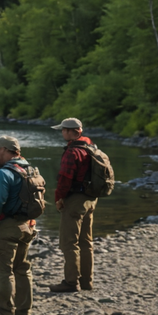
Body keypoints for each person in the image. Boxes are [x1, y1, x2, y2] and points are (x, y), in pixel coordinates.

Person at [0, 136, 39, 315]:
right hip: (28, 225)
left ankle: (5, 313)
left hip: (9, 227)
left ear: (5, 150)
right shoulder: (32, 170)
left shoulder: (3, 173)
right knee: (22, 268)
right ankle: (24, 312)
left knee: (4, 270)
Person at [50, 118, 95, 293]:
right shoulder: (90, 146)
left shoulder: (72, 152)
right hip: (90, 198)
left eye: (63, 130)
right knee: (86, 242)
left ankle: (71, 282)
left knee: (69, 243)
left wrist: (59, 198)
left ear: (71, 132)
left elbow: (65, 179)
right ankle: (86, 282)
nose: (62, 133)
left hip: (75, 200)